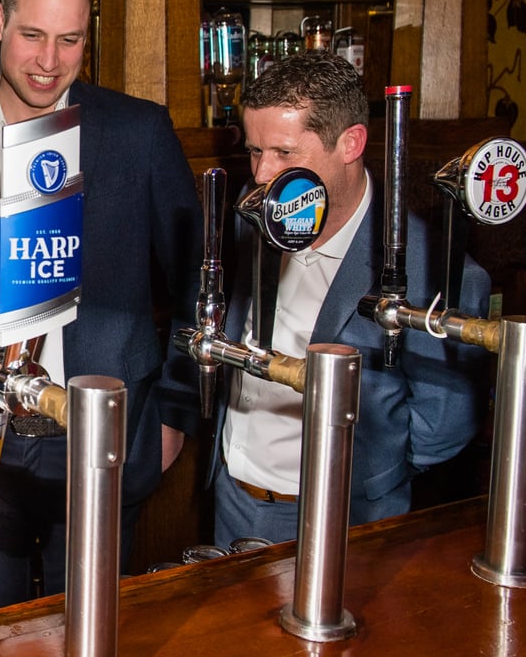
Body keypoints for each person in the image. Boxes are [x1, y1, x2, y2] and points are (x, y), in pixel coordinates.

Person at [0, 0, 204, 612]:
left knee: (91, 626)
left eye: (70, 39)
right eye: (33, 34)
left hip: (103, 435)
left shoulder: (139, 132)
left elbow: (196, 284)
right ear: (0, 22)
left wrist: (176, 415)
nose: (49, 59)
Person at [209, 51, 491, 549]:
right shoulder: (251, 224)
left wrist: (372, 477)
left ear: (350, 143)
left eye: (283, 153)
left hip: (347, 518)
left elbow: (443, 427)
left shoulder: (432, 270)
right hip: (235, 498)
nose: (260, 175)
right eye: (255, 152)